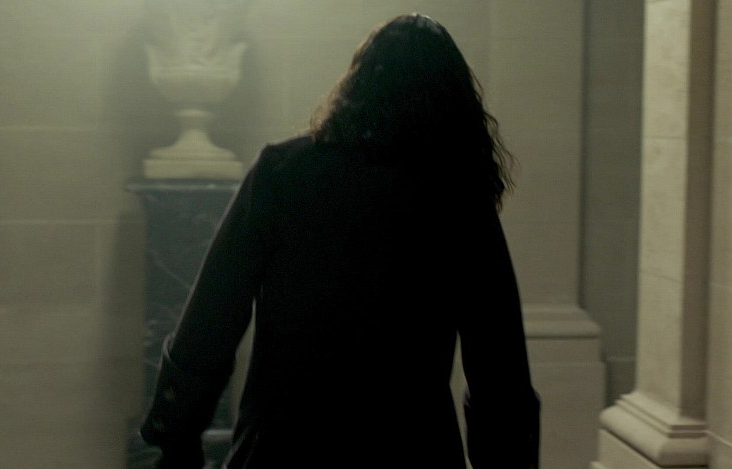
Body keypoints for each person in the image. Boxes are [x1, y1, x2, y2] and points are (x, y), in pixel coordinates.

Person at [140, 12, 540, 468]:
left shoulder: (283, 173)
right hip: (411, 449)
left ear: (356, 84)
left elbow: (211, 318)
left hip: (282, 448)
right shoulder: (456, 198)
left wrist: (177, 437)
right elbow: (498, 366)